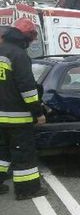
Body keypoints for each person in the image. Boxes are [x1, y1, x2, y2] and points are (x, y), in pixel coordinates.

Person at [0, 18, 48, 200]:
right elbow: (28, 89)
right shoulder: (19, 55)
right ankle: (27, 190)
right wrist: (38, 112)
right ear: (27, 37)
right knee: (23, 154)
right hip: (17, 118)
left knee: (1, 152)